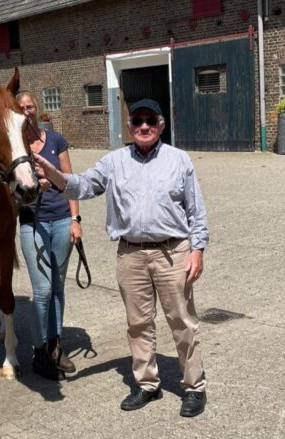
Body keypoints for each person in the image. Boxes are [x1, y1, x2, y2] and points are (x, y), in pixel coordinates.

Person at [34, 99, 209, 417]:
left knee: (182, 322)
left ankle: (194, 386)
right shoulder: (114, 162)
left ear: (161, 125)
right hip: (130, 254)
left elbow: (196, 210)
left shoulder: (179, 160)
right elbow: (83, 187)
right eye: (137, 121)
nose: (144, 126)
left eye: (150, 121)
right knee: (138, 324)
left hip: (173, 252)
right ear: (129, 126)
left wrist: (197, 250)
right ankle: (147, 384)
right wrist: (54, 175)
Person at [15, 92, 82, 381]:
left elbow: (70, 182)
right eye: (21, 108)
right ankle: (39, 351)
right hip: (33, 222)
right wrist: (33, 192)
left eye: (30, 107)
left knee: (57, 287)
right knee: (41, 291)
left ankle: (56, 346)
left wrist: (76, 219)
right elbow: (10, 193)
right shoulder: (15, 148)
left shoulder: (56, 140)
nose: (27, 111)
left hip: (62, 220)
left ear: (36, 109)